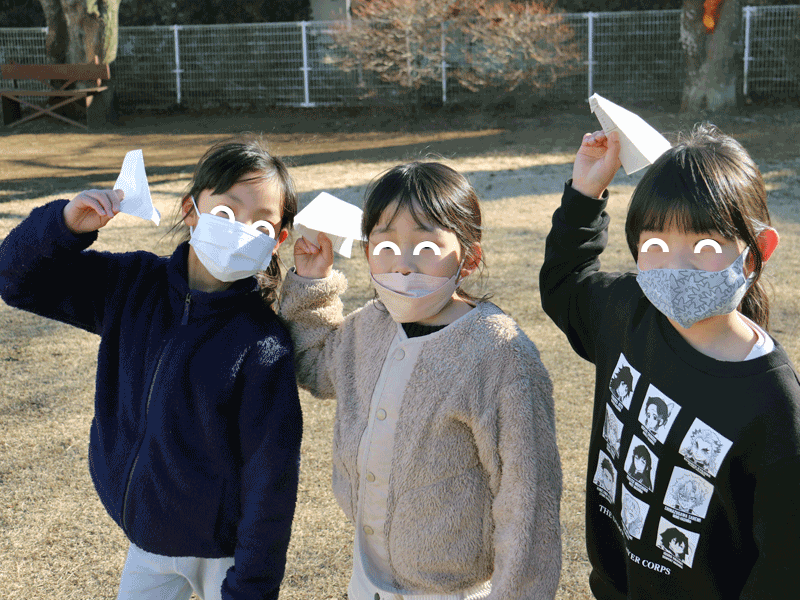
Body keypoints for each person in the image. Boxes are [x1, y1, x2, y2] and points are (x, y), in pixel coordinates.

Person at [0, 136, 303, 600]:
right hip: (147, 538)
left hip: (224, 555)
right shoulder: (131, 285)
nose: (242, 230)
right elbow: (17, 280)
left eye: (262, 225)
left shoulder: (264, 343)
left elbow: (271, 481)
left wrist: (253, 587)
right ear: (191, 210)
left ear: (278, 241)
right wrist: (65, 225)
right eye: (226, 212)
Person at [279, 162, 562, 600]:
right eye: (385, 245)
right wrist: (313, 282)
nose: (404, 264)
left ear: (469, 256)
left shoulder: (500, 355)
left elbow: (527, 498)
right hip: (367, 581)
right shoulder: (367, 326)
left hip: (454, 592)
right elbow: (314, 365)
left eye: (426, 245)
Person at [540, 124, 800, 598]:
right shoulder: (627, 311)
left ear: (756, 253)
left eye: (703, 246)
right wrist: (585, 191)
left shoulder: (774, 404)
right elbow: (565, 285)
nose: (674, 266)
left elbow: (785, 562)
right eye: (655, 245)